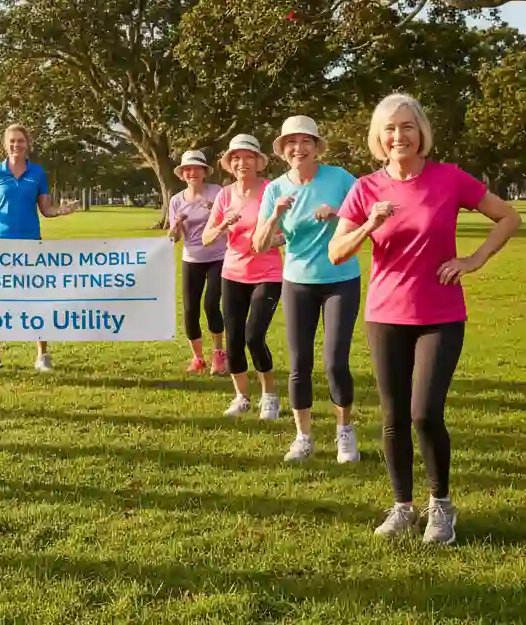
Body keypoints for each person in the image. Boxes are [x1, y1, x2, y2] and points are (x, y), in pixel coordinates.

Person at [330, 94, 520, 545]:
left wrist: (473, 260)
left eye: (408, 127)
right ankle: (402, 507)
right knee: (393, 416)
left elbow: (507, 217)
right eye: (390, 129)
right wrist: (368, 225)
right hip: (386, 315)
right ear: (379, 137)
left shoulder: (448, 178)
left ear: (421, 133)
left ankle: (441, 507)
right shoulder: (366, 188)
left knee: (425, 412)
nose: (399, 136)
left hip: (440, 313)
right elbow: (337, 253)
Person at [254, 116, 361, 465]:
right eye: (291, 143)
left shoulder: (340, 177)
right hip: (297, 281)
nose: (298, 149)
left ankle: (345, 434)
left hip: (341, 279)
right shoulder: (274, 190)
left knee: (335, 362)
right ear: (284, 151)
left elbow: (367, 209)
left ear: (316, 147)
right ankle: (303, 437)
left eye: (305, 142)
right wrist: (275, 215)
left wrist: (339, 212)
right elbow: (259, 244)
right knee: (300, 363)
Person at [0, 124, 79, 372]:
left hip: (30, 244)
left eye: (21, 141)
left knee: (37, 298)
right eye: (12, 141)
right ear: (5, 145)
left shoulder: (37, 173)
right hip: (0, 244)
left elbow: (46, 210)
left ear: (28, 144)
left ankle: (42, 355)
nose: (17, 145)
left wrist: (62, 211)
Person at [202, 134, 283, 419]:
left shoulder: (272, 190)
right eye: (236, 158)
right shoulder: (225, 195)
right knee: (234, 339)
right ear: (230, 164)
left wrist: (267, 240)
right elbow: (207, 237)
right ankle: (242, 397)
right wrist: (223, 224)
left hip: (268, 273)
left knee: (254, 335)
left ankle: (270, 397)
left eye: (248, 157)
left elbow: (289, 233)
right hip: (233, 273)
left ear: (258, 162)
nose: (242, 163)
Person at [167, 149, 227, 375]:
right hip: (191, 259)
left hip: (218, 257)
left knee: (211, 304)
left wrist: (217, 213)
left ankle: (219, 355)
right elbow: (175, 237)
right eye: (187, 169)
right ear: (182, 174)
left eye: (196, 168)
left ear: (204, 171)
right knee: (190, 310)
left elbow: (231, 218)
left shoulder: (218, 192)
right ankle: (198, 358)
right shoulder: (176, 201)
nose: (192, 172)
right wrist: (176, 225)